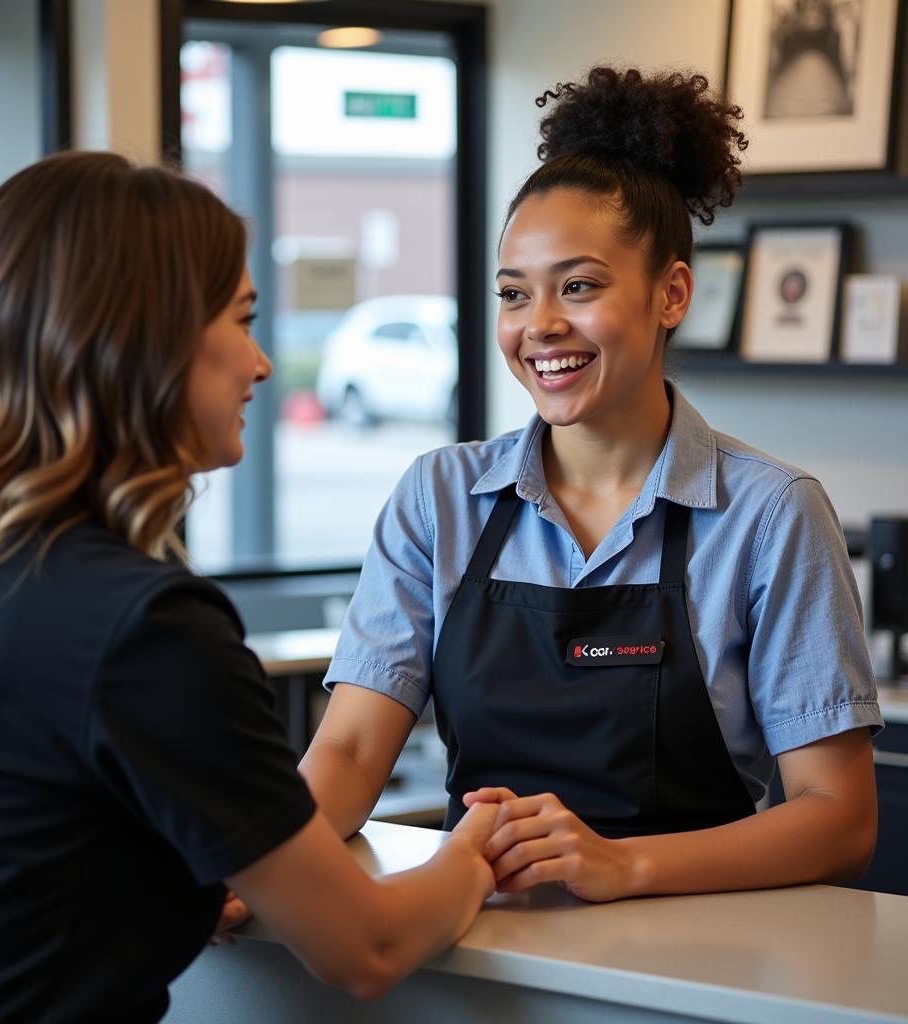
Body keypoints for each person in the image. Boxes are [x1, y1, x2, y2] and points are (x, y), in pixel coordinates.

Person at [0, 151, 500, 1024]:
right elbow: (366, 948)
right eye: (242, 320)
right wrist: (472, 853)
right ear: (146, 339)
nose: (259, 363)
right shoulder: (144, 628)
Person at [301, 67, 882, 903]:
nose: (540, 325)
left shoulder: (769, 514)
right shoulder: (439, 497)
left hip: (696, 957)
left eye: (579, 286)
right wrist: (256, 870)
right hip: (475, 948)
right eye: (514, 293)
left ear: (671, 293)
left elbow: (839, 819)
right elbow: (350, 755)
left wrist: (625, 864)